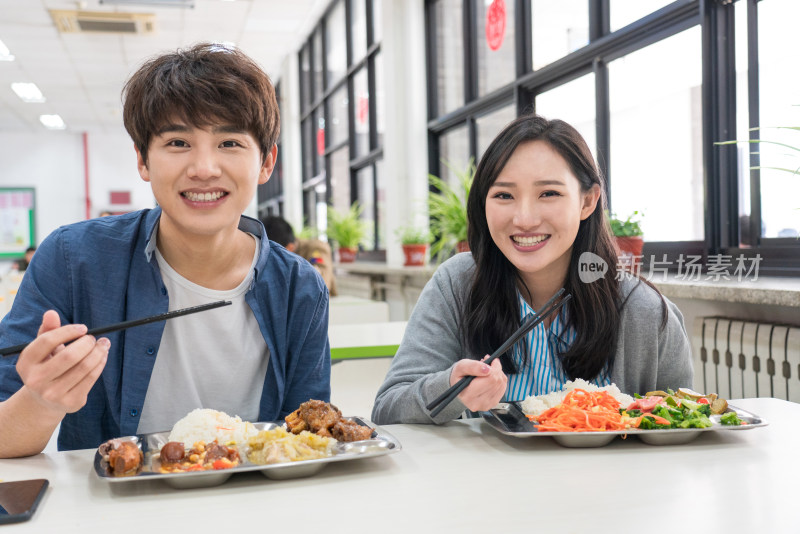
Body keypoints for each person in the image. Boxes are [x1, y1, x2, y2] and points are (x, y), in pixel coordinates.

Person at [0, 43, 331, 457]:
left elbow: (309, 437)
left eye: (229, 142)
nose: (204, 168)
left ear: (266, 162)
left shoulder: (300, 288)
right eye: (177, 142)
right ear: (142, 159)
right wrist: (43, 401)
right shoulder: (72, 259)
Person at [371, 114, 693, 424]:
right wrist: (452, 389)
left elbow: (681, 424)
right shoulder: (457, 283)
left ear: (587, 202)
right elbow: (388, 409)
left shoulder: (644, 311)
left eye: (549, 193)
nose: (524, 219)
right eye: (504, 195)